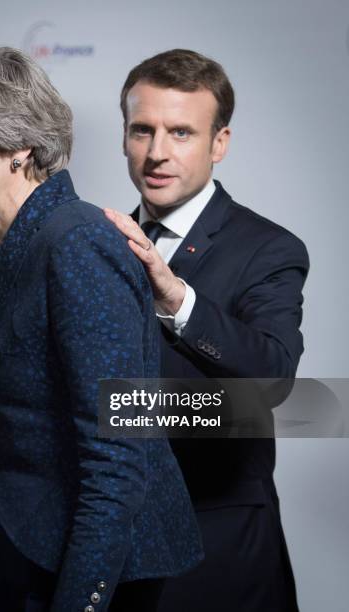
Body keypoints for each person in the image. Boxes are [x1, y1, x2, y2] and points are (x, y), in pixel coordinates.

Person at [0, 47, 203, 612]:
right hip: (0, 550)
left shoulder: (77, 242)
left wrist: (81, 600)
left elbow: (118, 456)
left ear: (18, 145)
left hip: (74, 569)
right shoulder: (2, 243)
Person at [104, 49, 309, 612]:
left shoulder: (269, 249)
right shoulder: (101, 244)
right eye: (142, 130)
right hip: (113, 544)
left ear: (219, 143)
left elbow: (273, 378)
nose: (157, 152)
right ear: (124, 135)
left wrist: (178, 299)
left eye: (181, 133)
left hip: (217, 551)